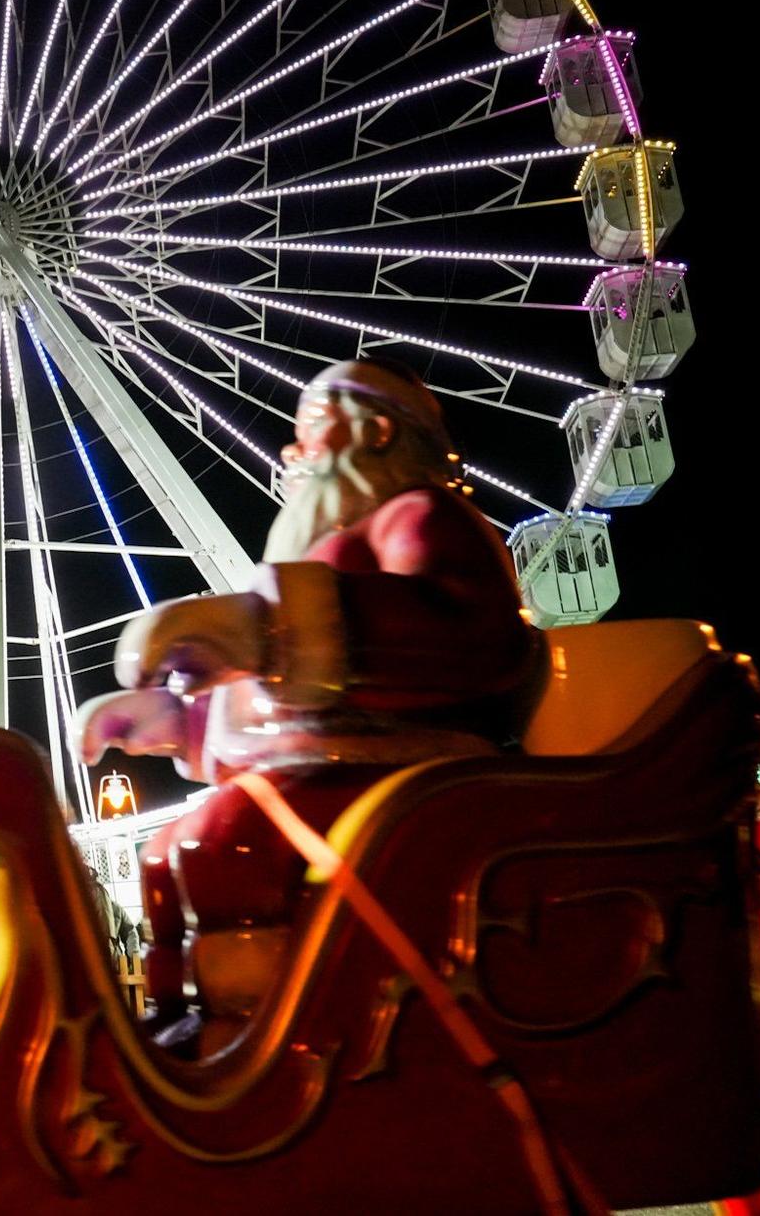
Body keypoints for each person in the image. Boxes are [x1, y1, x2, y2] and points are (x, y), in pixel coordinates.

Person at [79, 359, 541, 1048]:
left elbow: (470, 633)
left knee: (223, 842)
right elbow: (277, 692)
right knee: (164, 853)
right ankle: (182, 1017)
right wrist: (181, 720)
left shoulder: (422, 515)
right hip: (320, 769)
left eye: (313, 426)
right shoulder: (320, 554)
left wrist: (264, 632)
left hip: (400, 771)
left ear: (377, 432)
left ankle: (256, 1038)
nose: (292, 450)